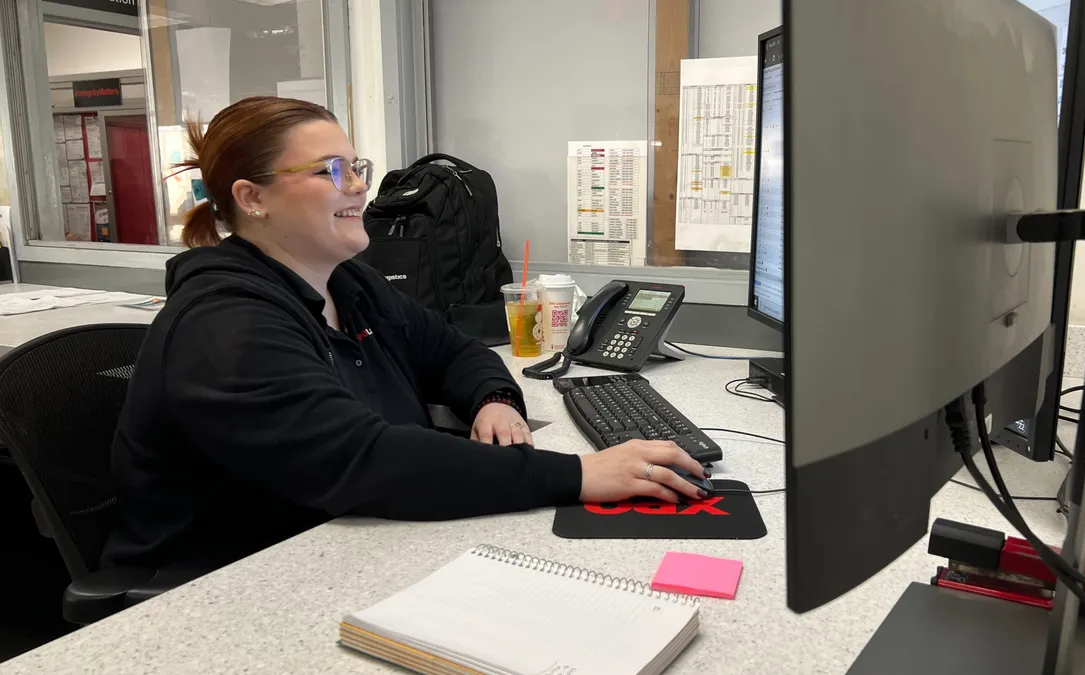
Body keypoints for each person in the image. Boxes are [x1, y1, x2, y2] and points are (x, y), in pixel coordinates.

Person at [102, 97, 708, 571]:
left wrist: (494, 399)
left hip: (347, 544)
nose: (359, 185)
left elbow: (454, 350)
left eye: (357, 167)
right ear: (252, 197)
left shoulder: (350, 285)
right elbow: (365, 461)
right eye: (331, 170)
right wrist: (580, 475)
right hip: (229, 582)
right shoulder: (227, 325)